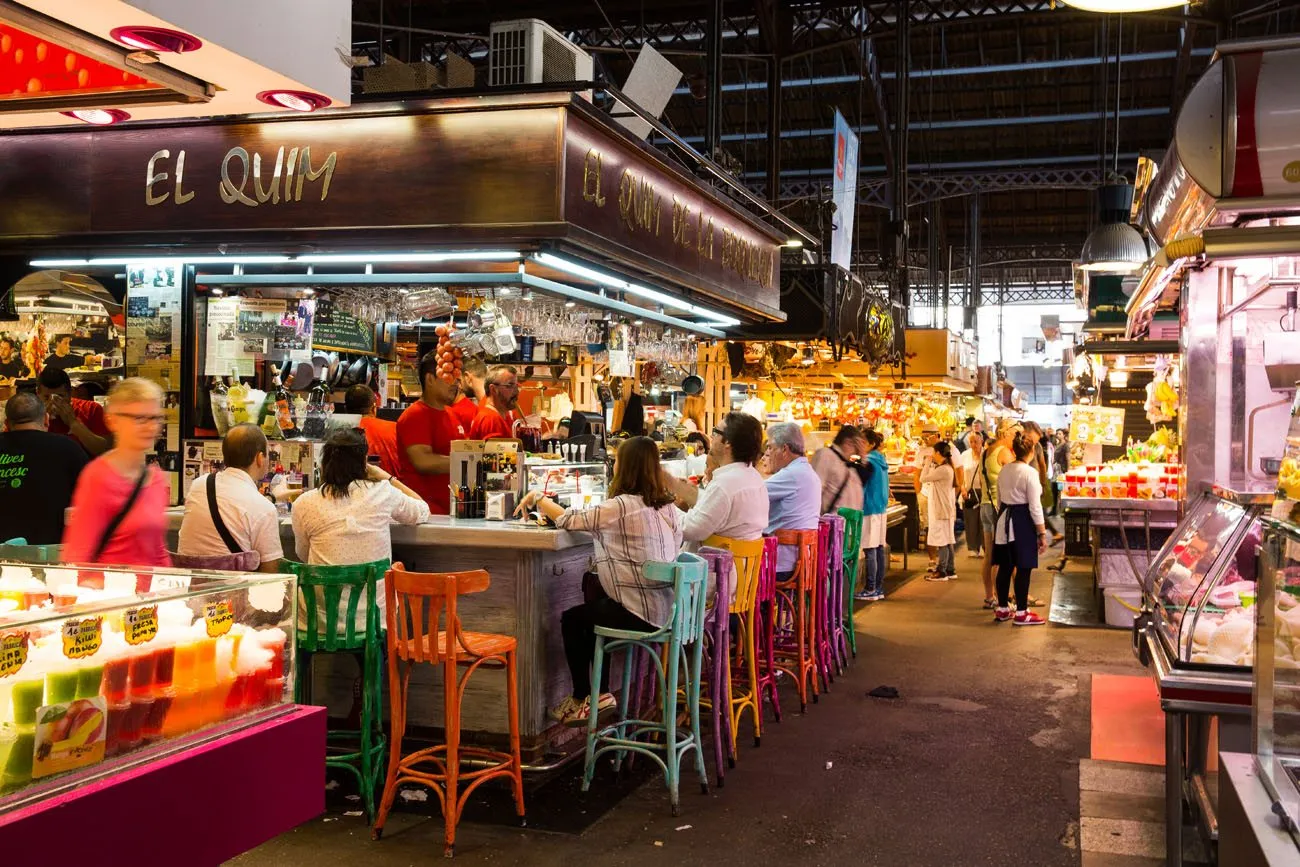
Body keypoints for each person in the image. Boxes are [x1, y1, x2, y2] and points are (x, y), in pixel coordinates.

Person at [515, 436, 683, 727]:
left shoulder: (620, 506)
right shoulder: (667, 507)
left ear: (625, 467)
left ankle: (583, 696)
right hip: (669, 611)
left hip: (639, 613)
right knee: (594, 607)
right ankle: (598, 695)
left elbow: (570, 519)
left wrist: (538, 498)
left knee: (573, 619)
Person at [291, 428, 430, 633]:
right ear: (364, 462)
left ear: (324, 462)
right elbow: (422, 510)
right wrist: (388, 478)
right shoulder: (382, 493)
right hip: (372, 620)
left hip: (319, 622)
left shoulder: (304, 503)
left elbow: (303, 555)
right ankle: (383, 662)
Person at [61, 377, 171, 572]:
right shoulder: (97, 477)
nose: (150, 426)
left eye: (155, 418)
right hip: (110, 596)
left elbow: (158, 551)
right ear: (113, 420)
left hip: (149, 599)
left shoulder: (155, 479)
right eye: (139, 418)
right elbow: (78, 555)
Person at [177, 423, 284, 571]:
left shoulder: (198, 486)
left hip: (190, 587)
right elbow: (271, 571)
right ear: (260, 458)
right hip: (234, 592)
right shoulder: (264, 509)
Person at [0, 392, 89, 544]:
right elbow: (88, 499)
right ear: (46, 420)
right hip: (53, 553)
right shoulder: (68, 448)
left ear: (7, 424)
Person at [670, 411, 768, 545]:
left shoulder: (725, 484)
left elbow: (689, 530)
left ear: (727, 442)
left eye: (715, 432)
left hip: (717, 563)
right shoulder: (753, 476)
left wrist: (666, 507)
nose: (711, 436)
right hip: (743, 563)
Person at [396, 350, 467, 514]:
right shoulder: (415, 415)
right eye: (450, 377)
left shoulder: (451, 414)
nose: (456, 383)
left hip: (450, 510)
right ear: (430, 379)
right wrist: (469, 461)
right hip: (425, 514)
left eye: (457, 377)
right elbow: (423, 461)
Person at [992, 432, 1050, 626]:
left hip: (1003, 518)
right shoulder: (1030, 473)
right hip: (1021, 520)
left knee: (1005, 566)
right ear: (1032, 451)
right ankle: (1022, 612)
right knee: (1023, 566)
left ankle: (1002, 608)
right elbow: (1034, 506)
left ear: (1013, 450)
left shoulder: (1005, 470)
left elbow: (999, 499)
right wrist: (1042, 532)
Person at [763, 422, 822, 576]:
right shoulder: (806, 471)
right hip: (802, 560)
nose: (768, 452)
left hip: (783, 564)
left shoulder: (792, 474)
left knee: (736, 571)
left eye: (770, 447)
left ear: (784, 449)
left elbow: (751, 495)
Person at [978, 421, 1019, 609]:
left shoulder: (986, 451)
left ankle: (990, 597)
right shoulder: (1004, 452)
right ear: (1005, 433)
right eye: (1014, 434)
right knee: (1002, 557)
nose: (1016, 438)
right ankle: (1004, 599)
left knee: (989, 556)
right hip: (998, 508)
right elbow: (1017, 478)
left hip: (985, 506)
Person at [36, 366, 111, 455]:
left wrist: (73, 423)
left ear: (71, 392)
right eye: (46, 397)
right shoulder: (30, 413)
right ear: (37, 393)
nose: (53, 403)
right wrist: (40, 421)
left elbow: (105, 451)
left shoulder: (91, 409)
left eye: (60, 396)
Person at [856, 428, 890, 602]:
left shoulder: (868, 461)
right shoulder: (881, 460)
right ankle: (878, 587)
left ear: (870, 444)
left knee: (870, 549)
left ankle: (870, 588)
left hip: (869, 508)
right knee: (877, 548)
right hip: (881, 508)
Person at [345, 384, 401, 477]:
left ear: (345, 409)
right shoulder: (395, 429)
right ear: (374, 408)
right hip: (392, 488)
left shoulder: (338, 432)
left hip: (351, 490)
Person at [921, 442, 958, 581]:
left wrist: (926, 464)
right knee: (948, 540)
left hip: (940, 509)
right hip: (945, 508)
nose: (932, 455)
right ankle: (950, 569)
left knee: (942, 540)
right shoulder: (947, 468)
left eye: (933, 453)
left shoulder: (943, 470)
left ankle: (941, 571)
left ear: (938, 453)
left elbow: (922, 478)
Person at [810, 424, 865, 514]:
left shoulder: (846, 465)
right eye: (857, 448)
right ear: (848, 443)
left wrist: (863, 456)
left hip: (846, 525)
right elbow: (814, 491)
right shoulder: (825, 455)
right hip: (831, 524)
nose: (856, 453)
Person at [469, 364, 521, 440]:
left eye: (516, 386)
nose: (516, 391)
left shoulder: (499, 416)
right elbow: (495, 452)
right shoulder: (491, 419)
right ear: (493, 389)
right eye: (509, 386)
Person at [959, 430, 986, 556]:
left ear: (981, 441)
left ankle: (984, 545)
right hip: (969, 490)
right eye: (971, 442)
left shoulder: (986, 454)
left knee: (983, 520)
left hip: (984, 491)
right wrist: (962, 489)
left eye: (976, 441)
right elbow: (960, 474)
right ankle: (973, 547)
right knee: (970, 520)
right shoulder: (964, 455)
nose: (973, 444)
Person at [448, 355, 488, 430]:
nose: (458, 385)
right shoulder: (492, 405)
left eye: (459, 380)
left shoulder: (487, 410)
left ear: (467, 378)